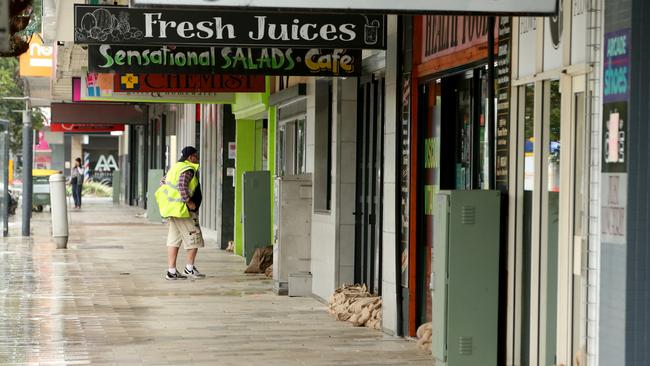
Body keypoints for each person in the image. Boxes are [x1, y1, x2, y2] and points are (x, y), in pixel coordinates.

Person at [155, 146, 206, 280]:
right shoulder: (188, 169)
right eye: (196, 155)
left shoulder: (176, 167)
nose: (198, 158)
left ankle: (171, 271)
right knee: (195, 237)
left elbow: (162, 182)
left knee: (174, 239)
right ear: (190, 157)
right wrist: (189, 201)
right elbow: (182, 186)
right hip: (184, 211)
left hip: (174, 210)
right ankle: (189, 269)